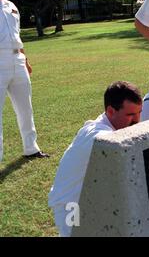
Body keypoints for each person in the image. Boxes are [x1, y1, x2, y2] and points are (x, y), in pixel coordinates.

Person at [48, 81, 142, 237]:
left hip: (92, 203)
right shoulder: (97, 134)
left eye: (139, 113)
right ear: (111, 111)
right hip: (71, 206)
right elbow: (112, 144)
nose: (137, 120)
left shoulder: (112, 123)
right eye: (131, 115)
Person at [0, 0, 48, 162]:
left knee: (25, 108)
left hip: (17, 60)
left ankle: (31, 148)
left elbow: (17, 35)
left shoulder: (11, 5)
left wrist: (25, 60)